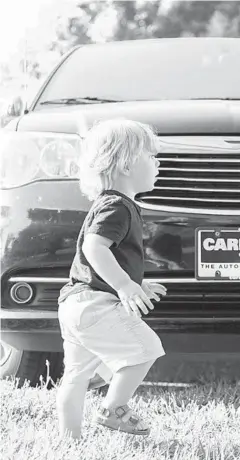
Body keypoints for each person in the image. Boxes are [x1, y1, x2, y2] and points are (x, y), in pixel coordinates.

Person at [56, 118, 166, 439]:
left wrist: (137, 281)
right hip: (94, 304)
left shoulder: (109, 204)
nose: (157, 162)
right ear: (127, 165)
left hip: (74, 304)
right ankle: (114, 408)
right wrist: (124, 285)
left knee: (76, 376)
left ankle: (69, 440)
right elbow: (94, 247)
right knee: (146, 348)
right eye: (150, 156)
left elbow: (109, 257)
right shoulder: (118, 206)